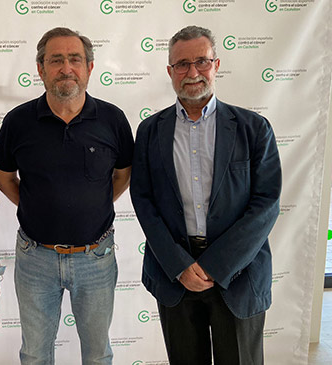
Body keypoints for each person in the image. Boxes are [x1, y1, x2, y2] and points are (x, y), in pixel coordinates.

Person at [130, 25, 282, 364]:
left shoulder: (253, 128)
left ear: (216, 64)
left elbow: (266, 203)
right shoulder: (150, 131)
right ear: (170, 72)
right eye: (182, 64)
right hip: (175, 275)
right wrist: (180, 265)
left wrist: (216, 265)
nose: (192, 72)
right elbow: (144, 201)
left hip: (238, 275)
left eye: (201, 61)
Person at [0, 27, 134, 364]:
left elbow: (123, 175)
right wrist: (34, 205)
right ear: (41, 69)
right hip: (35, 259)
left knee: (98, 354)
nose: (66, 68)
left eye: (75, 59)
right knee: (35, 354)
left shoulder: (112, 120)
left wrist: (93, 204)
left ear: (89, 68)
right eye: (56, 60)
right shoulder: (17, 122)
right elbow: (3, 177)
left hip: (96, 258)